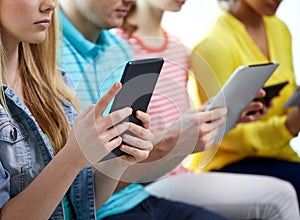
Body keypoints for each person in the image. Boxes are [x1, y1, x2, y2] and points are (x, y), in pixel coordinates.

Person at [59, 0, 300, 219]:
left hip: (158, 178)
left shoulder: (172, 48)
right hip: (145, 181)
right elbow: (122, 154)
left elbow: (168, 128)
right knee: (280, 195)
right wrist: (172, 141)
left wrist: (226, 115)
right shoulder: (119, 45)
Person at [0, 0, 155, 219]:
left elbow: (82, 204)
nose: (50, 5)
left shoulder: (56, 84)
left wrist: (118, 158)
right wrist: (73, 156)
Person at [190, 0, 300, 204]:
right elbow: (222, 134)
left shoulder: (279, 28)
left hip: (281, 155)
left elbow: (289, 96)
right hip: (228, 163)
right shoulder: (212, 45)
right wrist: (287, 126)